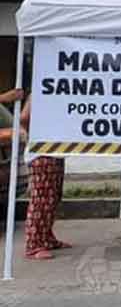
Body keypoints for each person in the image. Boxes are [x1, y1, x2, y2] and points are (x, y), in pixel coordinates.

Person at [15, 90, 70, 261]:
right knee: (42, 200)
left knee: (53, 198)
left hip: (54, 151)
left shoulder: (57, 91)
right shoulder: (39, 92)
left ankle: (46, 238)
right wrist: (36, 134)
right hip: (41, 152)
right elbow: (24, 118)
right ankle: (33, 244)